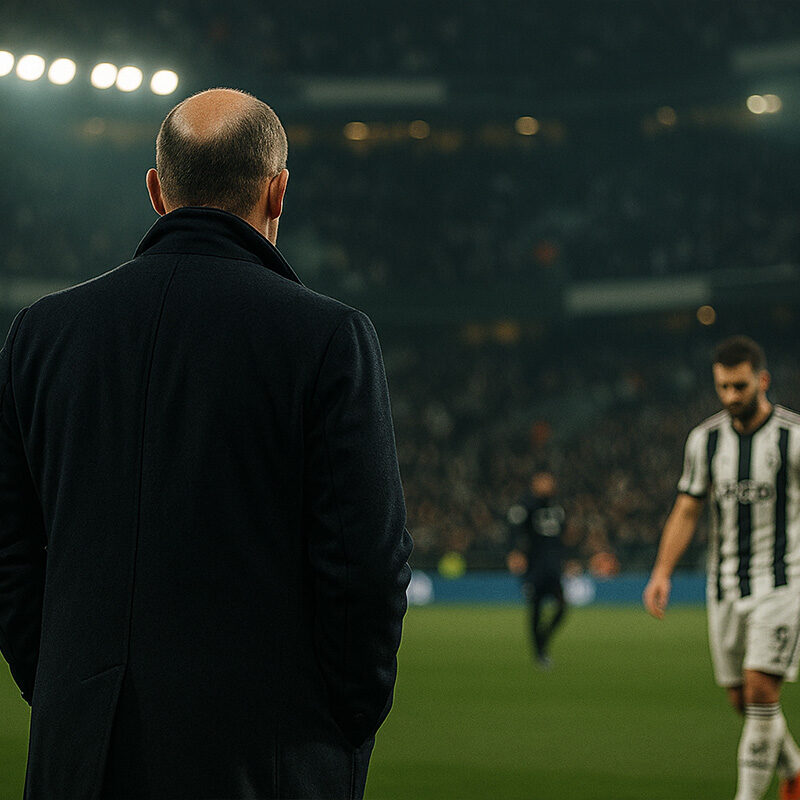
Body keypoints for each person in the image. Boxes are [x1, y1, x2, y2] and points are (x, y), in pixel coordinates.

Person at [0, 88, 412, 800]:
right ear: (277, 192)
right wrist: (342, 719)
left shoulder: (41, 335)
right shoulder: (327, 339)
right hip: (266, 756)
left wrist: (68, 689)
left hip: (79, 753)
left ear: (158, 191)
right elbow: (367, 566)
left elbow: (9, 551)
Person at [643, 336, 800, 800]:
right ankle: (794, 768)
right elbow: (687, 509)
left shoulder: (793, 437)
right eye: (724, 387)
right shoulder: (705, 440)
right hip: (725, 584)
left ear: (762, 380)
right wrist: (661, 572)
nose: (732, 396)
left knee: (759, 690)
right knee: (741, 699)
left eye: (740, 386)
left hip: (784, 582)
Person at [506, 469, 567, 668]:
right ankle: (539, 652)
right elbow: (514, 531)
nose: (547, 484)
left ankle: (542, 640)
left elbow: (562, 538)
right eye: (543, 481)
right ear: (535, 482)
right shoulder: (526, 505)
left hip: (553, 566)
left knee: (562, 607)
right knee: (536, 608)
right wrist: (515, 552)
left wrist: (568, 558)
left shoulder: (557, 507)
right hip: (535, 567)